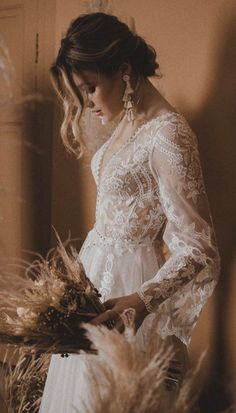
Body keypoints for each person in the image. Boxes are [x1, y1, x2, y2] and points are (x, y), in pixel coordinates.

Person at [39, 12, 220, 412]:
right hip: (94, 280)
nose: (86, 103)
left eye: (90, 88)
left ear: (124, 71)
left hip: (128, 289)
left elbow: (199, 247)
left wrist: (142, 300)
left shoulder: (169, 134)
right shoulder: (127, 123)